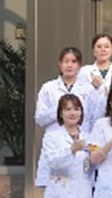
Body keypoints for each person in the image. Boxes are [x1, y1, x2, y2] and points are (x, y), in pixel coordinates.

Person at [34, 47, 101, 186]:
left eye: (73, 61)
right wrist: (60, 109)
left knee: (81, 188)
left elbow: (94, 118)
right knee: (57, 190)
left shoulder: (88, 89)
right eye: (65, 61)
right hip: (56, 144)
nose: (69, 65)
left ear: (80, 65)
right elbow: (39, 118)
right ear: (60, 63)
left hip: (82, 143)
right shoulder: (48, 88)